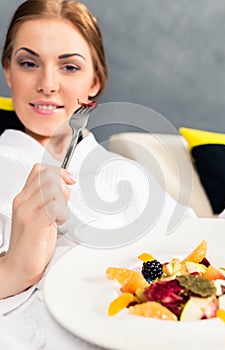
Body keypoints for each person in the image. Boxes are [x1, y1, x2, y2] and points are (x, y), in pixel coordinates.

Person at [0, 1, 195, 347]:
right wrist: (13, 269)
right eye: (29, 63)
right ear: (8, 72)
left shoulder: (129, 176)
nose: (47, 83)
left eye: (69, 67)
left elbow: (190, 250)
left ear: (95, 82)